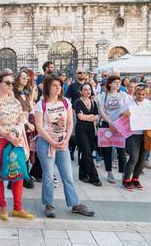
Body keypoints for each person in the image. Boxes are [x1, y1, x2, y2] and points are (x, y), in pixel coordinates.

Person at [35, 75, 94, 218]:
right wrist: (52, 142)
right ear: (48, 87)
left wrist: (66, 139)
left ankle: (75, 204)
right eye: (54, 85)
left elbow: (70, 123)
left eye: (59, 85)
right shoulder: (41, 104)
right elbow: (39, 127)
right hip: (46, 143)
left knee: (67, 175)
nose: (57, 88)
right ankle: (48, 204)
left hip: (62, 142)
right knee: (48, 175)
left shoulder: (66, 102)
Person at [0, 71, 34, 220]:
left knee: (18, 173)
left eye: (12, 83)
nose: (10, 86)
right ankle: (3, 206)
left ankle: (18, 208)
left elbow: (21, 117)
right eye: (7, 83)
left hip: (15, 140)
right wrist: (9, 136)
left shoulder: (16, 102)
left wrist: (27, 124)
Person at [121, 83, 151, 190]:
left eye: (143, 94)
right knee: (133, 158)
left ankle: (135, 178)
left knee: (142, 159)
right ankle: (126, 179)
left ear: (146, 94)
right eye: (139, 94)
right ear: (135, 93)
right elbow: (121, 115)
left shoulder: (149, 103)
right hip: (133, 134)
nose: (141, 96)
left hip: (146, 134)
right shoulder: (129, 102)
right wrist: (125, 114)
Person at [98, 75, 129, 183]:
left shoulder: (123, 95)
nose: (117, 84)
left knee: (121, 150)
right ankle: (109, 172)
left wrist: (118, 122)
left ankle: (123, 173)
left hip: (120, 125)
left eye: (118, 82)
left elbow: (127, 109)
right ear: (110, 83)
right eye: (115, 82)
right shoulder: (103, 95)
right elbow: (101, 110)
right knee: (107, 151)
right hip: (107, 124)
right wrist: (110, 122)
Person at [74, 83, 102, 186]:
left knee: (86, 153)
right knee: (87, 153)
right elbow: (80, 117)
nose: (88, 91)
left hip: (91, 130)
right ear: (81, 91)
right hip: (81, 130)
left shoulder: (93, 102)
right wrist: (91, 116)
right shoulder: (78, 102)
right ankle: (94, 177)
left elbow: (97, 117)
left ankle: (82, 175)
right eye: (85, 89)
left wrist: (89, 117)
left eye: (89, 89)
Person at [13, 70, 35, 189]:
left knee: (25, 150)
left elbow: (30, 106)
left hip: (26, 124)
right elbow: (17, 111)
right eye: (23, 77)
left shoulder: (27, 91)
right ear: (17, 79)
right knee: (19, 150)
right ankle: (19, 177)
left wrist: (34, 117)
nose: (25, 79)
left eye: (26, 77)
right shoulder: (13, 93)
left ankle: (24, 176)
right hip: (17, 124)